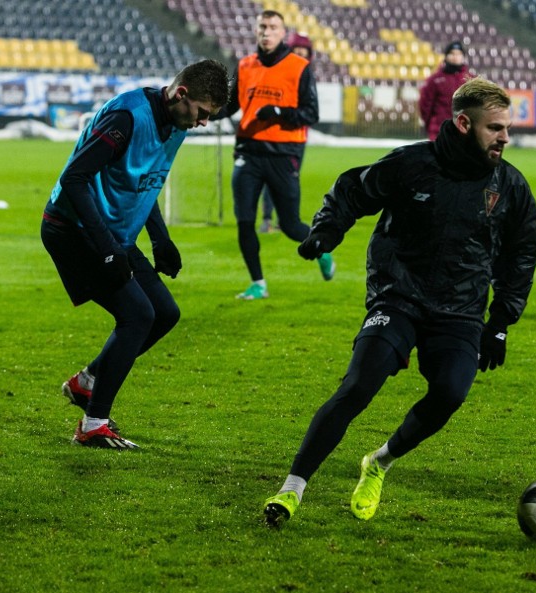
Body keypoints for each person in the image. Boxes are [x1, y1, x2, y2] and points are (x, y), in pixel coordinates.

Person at [263, 78, 536, 527]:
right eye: (495, 128)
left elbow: (521, 254)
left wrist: (502, 320)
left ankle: (379, 462)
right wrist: (327, 230)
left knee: (450, 392)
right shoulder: (414, 164)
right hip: (399, 295)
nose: (505, 138)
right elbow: (353, 188)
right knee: (358, 386)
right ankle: (291, 488)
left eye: (507, 128)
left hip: (461, 310)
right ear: (464, 123)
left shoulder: (510, 185)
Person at [41, 60, 230, 449]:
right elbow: (74, 179)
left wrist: (160, 239)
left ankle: (87, 382)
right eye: (202, 113)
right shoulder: (127, 117)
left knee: (165, 313)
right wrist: (108, 250)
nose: (203, 123)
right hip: (72, 230)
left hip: (111, 234)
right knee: (138, 315)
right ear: (181, 94)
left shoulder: (176, 124)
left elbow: (146, 183)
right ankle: (93, 423)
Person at [222, 11, 329, 300]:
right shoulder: (244, 65)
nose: (266, 32)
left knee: (291, 226)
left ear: (283, 33)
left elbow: (311, 113)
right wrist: (203, 112)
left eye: (272, 27)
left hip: (283, 155)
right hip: (247, 152)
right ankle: (258, 283)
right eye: (262, 27)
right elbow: (231, 106)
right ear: (256, 31)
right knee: (244, 221)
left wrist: (278, 112)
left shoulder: (299, 67)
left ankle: (321, 249)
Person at [259, 31, 314, 234]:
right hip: (277, 134)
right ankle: (267, 218)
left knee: (291, 178)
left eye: (304, 51)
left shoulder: (307, 76)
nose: (301, 54)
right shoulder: (280, 72)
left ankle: (287, 220)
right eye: (297, 50)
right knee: (272, 177)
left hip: (298, 137)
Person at [419, 40, 474, 141]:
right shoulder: (434, 80)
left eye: (458, 54)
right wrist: (430, 126)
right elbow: (425, 106)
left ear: (463, 57)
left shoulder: (470, 80)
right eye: (452, 53)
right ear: (446, 56)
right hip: (439, 131)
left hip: (463, 132)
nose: (455, 57)